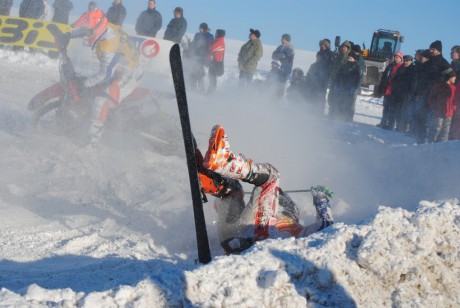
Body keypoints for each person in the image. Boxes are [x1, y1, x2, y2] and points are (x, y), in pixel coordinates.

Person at [196, 124, 335, 254]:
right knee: (234, 190)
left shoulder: (294, 228)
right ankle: (206, 179)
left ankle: (224, 163)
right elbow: (326, 226)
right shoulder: (298, 232)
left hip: (257, 237)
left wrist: (320, 197)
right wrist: (320, 198)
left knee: (271, 176)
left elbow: (327, 227)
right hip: (234, 237)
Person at [68, 2, 142, 146]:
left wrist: (84, 84)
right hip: (123, 68)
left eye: (91, 31)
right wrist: (69, 35)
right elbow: (89, 29)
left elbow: (105, 75)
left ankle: (92, 143)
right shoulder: (108, 26)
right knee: (96, 89)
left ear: (98, 28)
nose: (88, 34)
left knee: (100, 102)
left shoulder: (107, 46)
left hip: (128, 75)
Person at [328, 41, 361, 121]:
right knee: (332, 98)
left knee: (346, 101)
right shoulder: (339, 56)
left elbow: (358, 75)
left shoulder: (353, 62)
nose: (343, 48)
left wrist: (355, 86)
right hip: (337, 81)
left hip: (347, 85)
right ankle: (333, 113)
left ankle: (345, 116)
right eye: (343, 47)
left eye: (345, 47)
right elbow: (337, 70)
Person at [427, 68, 456, 143]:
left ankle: (443, 146)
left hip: (449, 113)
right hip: (438, 112)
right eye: (454, 76)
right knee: (436, 129)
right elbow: (432, 98)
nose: (455, 78)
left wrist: (453, 108)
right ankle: (430, 145)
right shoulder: (438, 86)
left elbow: (455, 100)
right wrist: (434, 107)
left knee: (445, 131)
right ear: (450, 77)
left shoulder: (454, 88)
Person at [376, 51, 404, 129]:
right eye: (395, 57)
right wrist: (381, 88)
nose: (395, 58)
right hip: (387, 90)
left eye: (397, 57)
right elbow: (384, 77)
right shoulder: (390, 66)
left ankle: (390, 124)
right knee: (386, 107)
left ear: (401, 58)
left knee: (392, 108)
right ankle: (383, 122)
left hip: (395, 92)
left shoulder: (402, 67)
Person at [208, 29, 226, 94]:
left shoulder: (220, 41)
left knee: (212, 78)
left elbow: (212, 48)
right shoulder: (218, 40)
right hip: (214, 61)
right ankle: (210, 92)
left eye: (216, 33)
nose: (215, 34)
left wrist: (210, 45)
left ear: (219, 34)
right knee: (212, 77)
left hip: (216, 62)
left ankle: (210, 93)